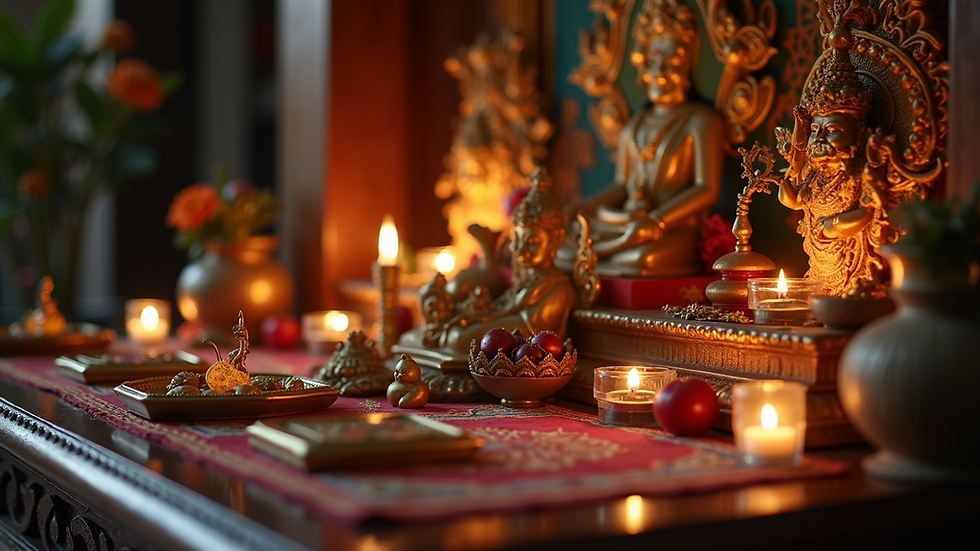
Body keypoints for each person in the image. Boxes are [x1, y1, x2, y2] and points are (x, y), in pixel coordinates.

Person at [559, 0, 724, 278]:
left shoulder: (701, 121)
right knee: (566, 243)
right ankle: (603, 250)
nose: (658, 71)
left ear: (690, 66)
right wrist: (586, 207)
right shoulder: (634, 125)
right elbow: (622, 184)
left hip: (673, 228)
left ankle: (607, 252)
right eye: (651, 63)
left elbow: (707, 188)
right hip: (629, 222)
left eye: (671, 63)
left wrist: (658, 221)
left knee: (642, 258)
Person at [397, 168, 579, 360]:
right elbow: (501, 308)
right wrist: (473, 315)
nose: (521, 249)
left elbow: (526, 330)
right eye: (516, 240)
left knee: (458, 337)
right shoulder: (527, 280)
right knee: (454, 327)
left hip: (523, 349)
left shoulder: (558, 290)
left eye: (532, 242)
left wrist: (478, 321)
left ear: (556, 239)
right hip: (495, 327)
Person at [775, 30, 885, 297]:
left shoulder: (860, 173)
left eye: (833, 129)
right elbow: (796, 201)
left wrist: (831, 226)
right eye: (815, 130)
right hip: (819, 260)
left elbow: (866, 214)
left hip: (851, 260)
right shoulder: (815, 175)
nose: (820, 138)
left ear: (858, 134)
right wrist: (784, 182)